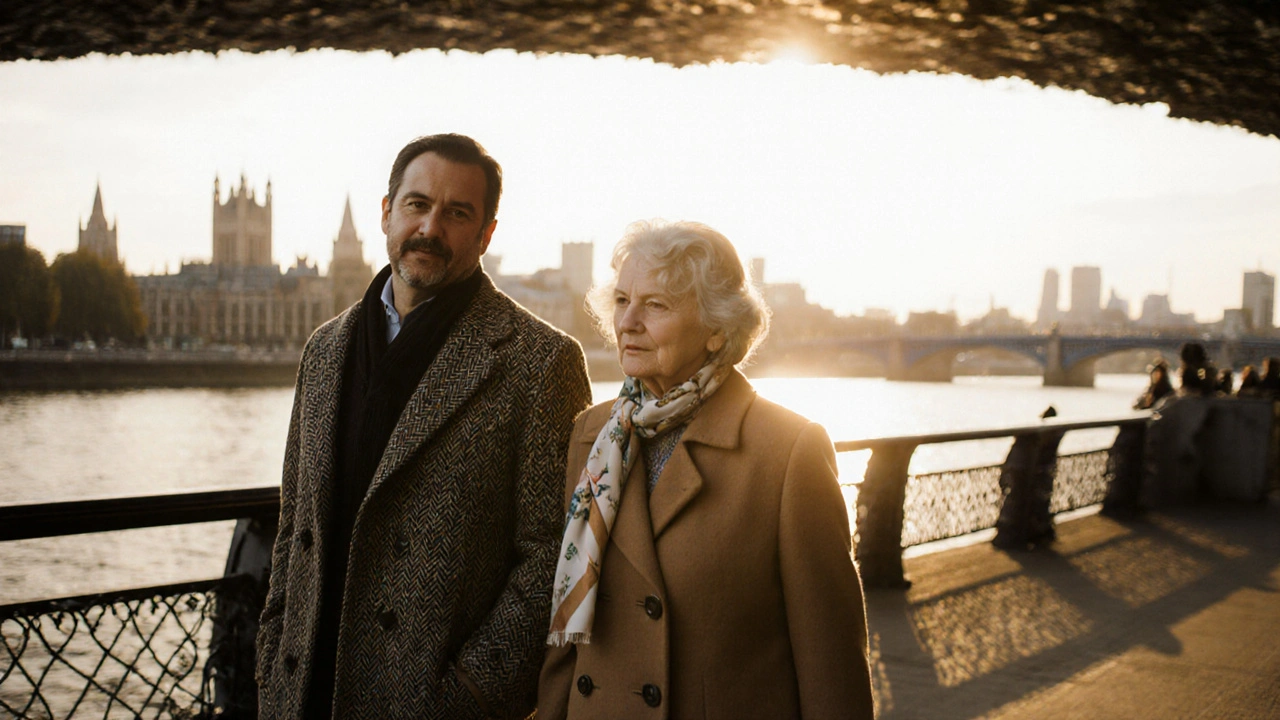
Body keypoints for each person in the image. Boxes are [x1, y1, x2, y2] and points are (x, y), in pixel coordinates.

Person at [255, 134, 592, 719]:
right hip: (302, 693)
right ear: (387, 212)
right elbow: (293, 527)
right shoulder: (325, 350)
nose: (430, 228)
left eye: (457, 213)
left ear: (486, 234)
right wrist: (272, 658)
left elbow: (553, 558)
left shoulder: (540, 362)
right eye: (417, 205)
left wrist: (465, 697)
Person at [537, 220, 874, 719]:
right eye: (623, 300)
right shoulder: (593, 433)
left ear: (718, 329)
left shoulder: (788, 451)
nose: (628, 321)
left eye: (656, 305)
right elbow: (567, 644)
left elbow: (831, 667)